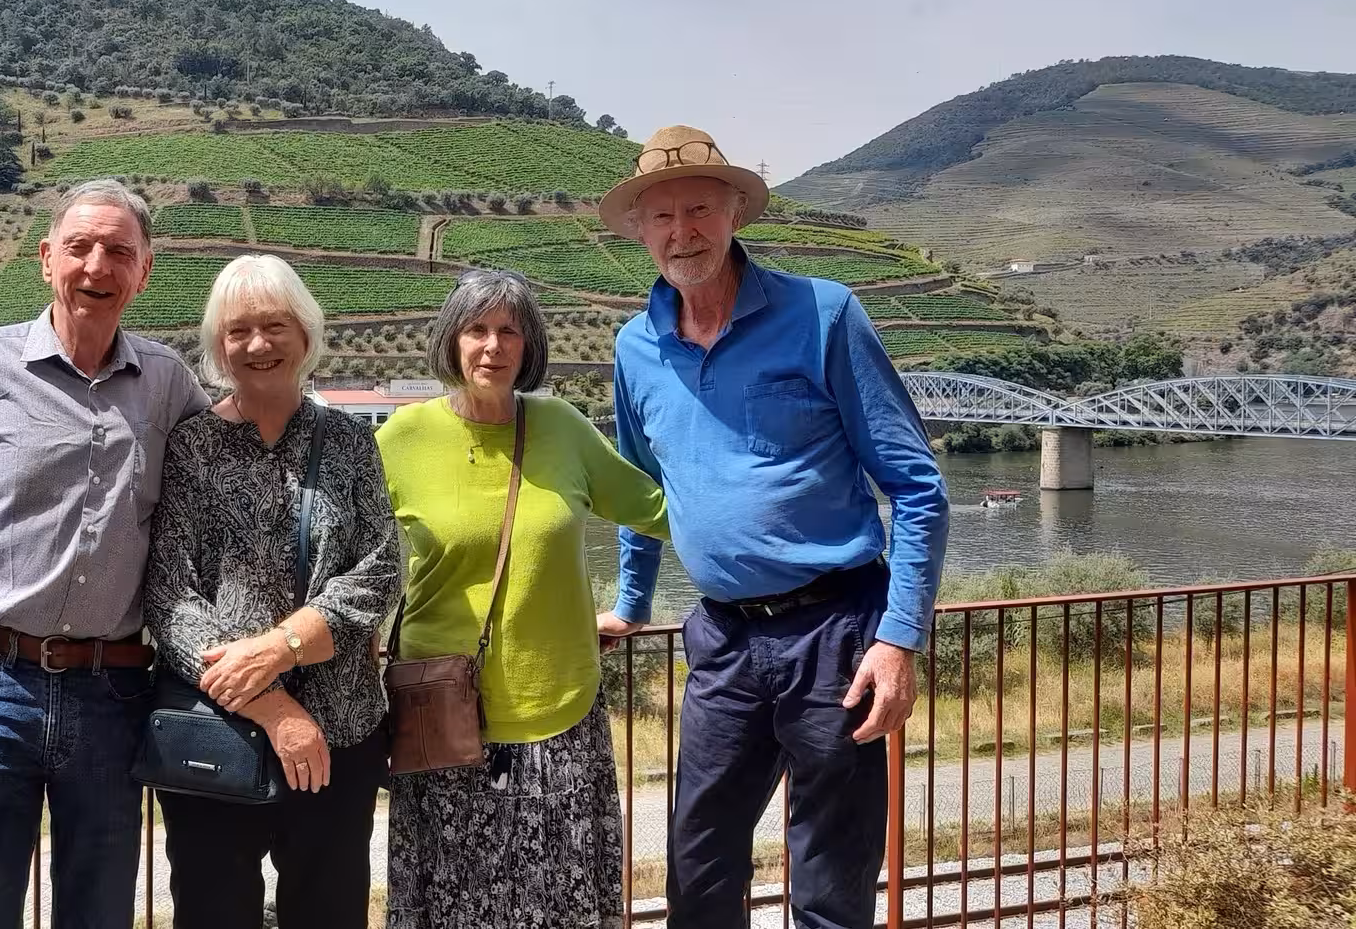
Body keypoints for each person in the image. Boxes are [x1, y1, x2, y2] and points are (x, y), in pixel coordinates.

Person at [596, 126, 950, 929]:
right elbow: (639, 488)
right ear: (640, 231)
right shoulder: (635, 347)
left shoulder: (823, 314)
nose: (682, 231)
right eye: (663, 217)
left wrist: (899, 639)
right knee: (698, 866)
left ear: (734, 214)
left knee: (830, 878)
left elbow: (917, 487)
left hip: (836, 631)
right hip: (722, 637)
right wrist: (631, 603)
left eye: (699, 210)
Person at [0, 179, 209, 929]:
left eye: (118, 251)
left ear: (144, 270)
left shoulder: (167, 383)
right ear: (45, 259)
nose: (97, 266)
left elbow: (231, 479)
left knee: (98, 915)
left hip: (112, 696)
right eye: (79, 247)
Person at [377, 269, 671, 929]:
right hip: (443, 720)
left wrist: (773, 514)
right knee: (456, 909)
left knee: (559, 907)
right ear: (451, 341)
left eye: (509, 330)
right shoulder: (402, 439)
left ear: (529, 344)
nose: (493, 345)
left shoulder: (562, 428)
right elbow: (345, 546)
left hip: (559, 714)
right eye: (476, 329)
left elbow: (655, 510)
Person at [141, 255, 402, 929]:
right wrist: (273, 705)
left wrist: (282, 647)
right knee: (213, 912)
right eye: (239, 330)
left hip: (341, 734)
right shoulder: (191, 448)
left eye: (275, 325)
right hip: (215, 730)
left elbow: (380, 570)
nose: (258, 344)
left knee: (329, 911)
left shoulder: (349, 442)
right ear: (218, 346)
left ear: (305, 333)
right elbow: (170, 595)